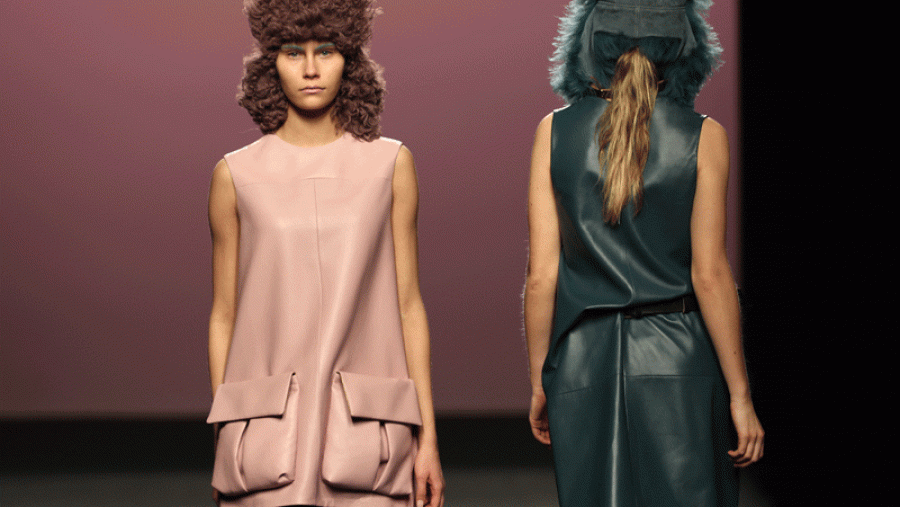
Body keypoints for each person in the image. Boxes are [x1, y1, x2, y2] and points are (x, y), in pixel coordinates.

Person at [524, 1, 763, 505]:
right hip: (679, 361)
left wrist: (541, 380)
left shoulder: (553, 132)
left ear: (590, 41)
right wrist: (741, 396)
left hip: (582, 362)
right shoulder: (704, 137)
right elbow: (710, 275)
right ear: (684, 47)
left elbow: (543, 276)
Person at [206, 1, 444, 506]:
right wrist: (227, 433)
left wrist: (428, 440)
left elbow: (408, 306)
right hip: (267, 435)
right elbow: (224, 314)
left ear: (349, 59)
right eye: (294, 52)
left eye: (327, 51)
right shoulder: (235, 176)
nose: (311, 69)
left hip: (367, 435)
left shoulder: (391, 165)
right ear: (271, 62)